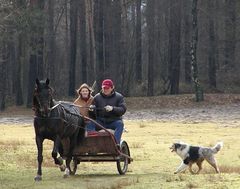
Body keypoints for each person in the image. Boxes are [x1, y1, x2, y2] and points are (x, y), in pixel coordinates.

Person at [88, 79, 127, 144]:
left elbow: (123, 109)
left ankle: (116, 143)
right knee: (89, 123)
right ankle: (92, 142)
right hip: (100, 122)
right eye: (104, 88)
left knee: (120, 124)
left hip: (114, 121)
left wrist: (113, 109)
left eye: (107, 88)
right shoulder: (97, 97)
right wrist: (92, 110)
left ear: (112, 88)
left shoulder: (119, 97)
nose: (105, 90)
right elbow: (92, 115)